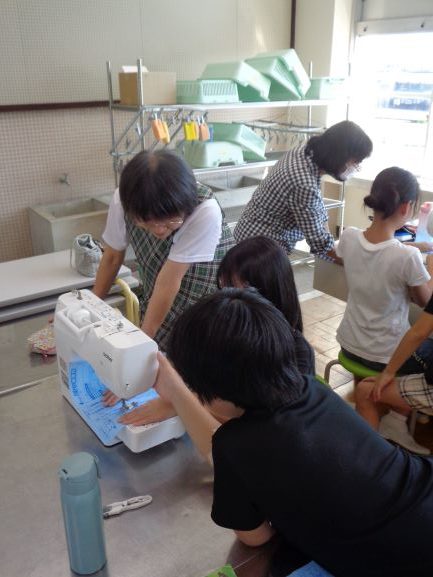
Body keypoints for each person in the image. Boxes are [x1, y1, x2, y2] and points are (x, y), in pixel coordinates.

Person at [153, 288, 433, 577]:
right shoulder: (311, 388)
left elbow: (255, 537)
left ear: (209, 389)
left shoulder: (233, 445)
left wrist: (176, 393)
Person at [94, 149, 235, 422]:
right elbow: (111, 257)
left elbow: (170, 280)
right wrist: (90, 306)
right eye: (147, 222)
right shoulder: (125, 200)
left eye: (171, 221)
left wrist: (138, 356)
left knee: (199, 359)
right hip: (162, 281)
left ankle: (193, 414)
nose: (159, 230)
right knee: (162, 356)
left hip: (204, 286)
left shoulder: (204, 210)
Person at [335, 167, 433, 453]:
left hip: (349, 343)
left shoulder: (349, 237)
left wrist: (414, 248)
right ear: (406, 208)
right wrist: (427, 263)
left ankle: (384, 413)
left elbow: (376, 251)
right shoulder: (407, 257)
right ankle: (398, 421)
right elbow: (426, 301)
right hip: (383, 356)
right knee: (426, 351)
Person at [234, 120, 372, 259]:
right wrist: (354, 263)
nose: (355, 167)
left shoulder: (306, 152)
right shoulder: (304, 183)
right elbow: (319, 243)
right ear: (340, 156)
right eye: (355, 162)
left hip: (250, 233)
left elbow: (318, 211)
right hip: (259, 248)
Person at [217, 235, 315, 375]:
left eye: (233, 289)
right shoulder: (228, 327)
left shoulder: (297, 354)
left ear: (267, 292)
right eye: (223, 288)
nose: (224, 299)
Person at [356, 292, 433, 451]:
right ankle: (395, 422)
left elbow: (418, 332)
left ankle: (370, 457)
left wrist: (388, 372)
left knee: (365, 390)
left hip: (353, 344)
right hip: (376, 348)